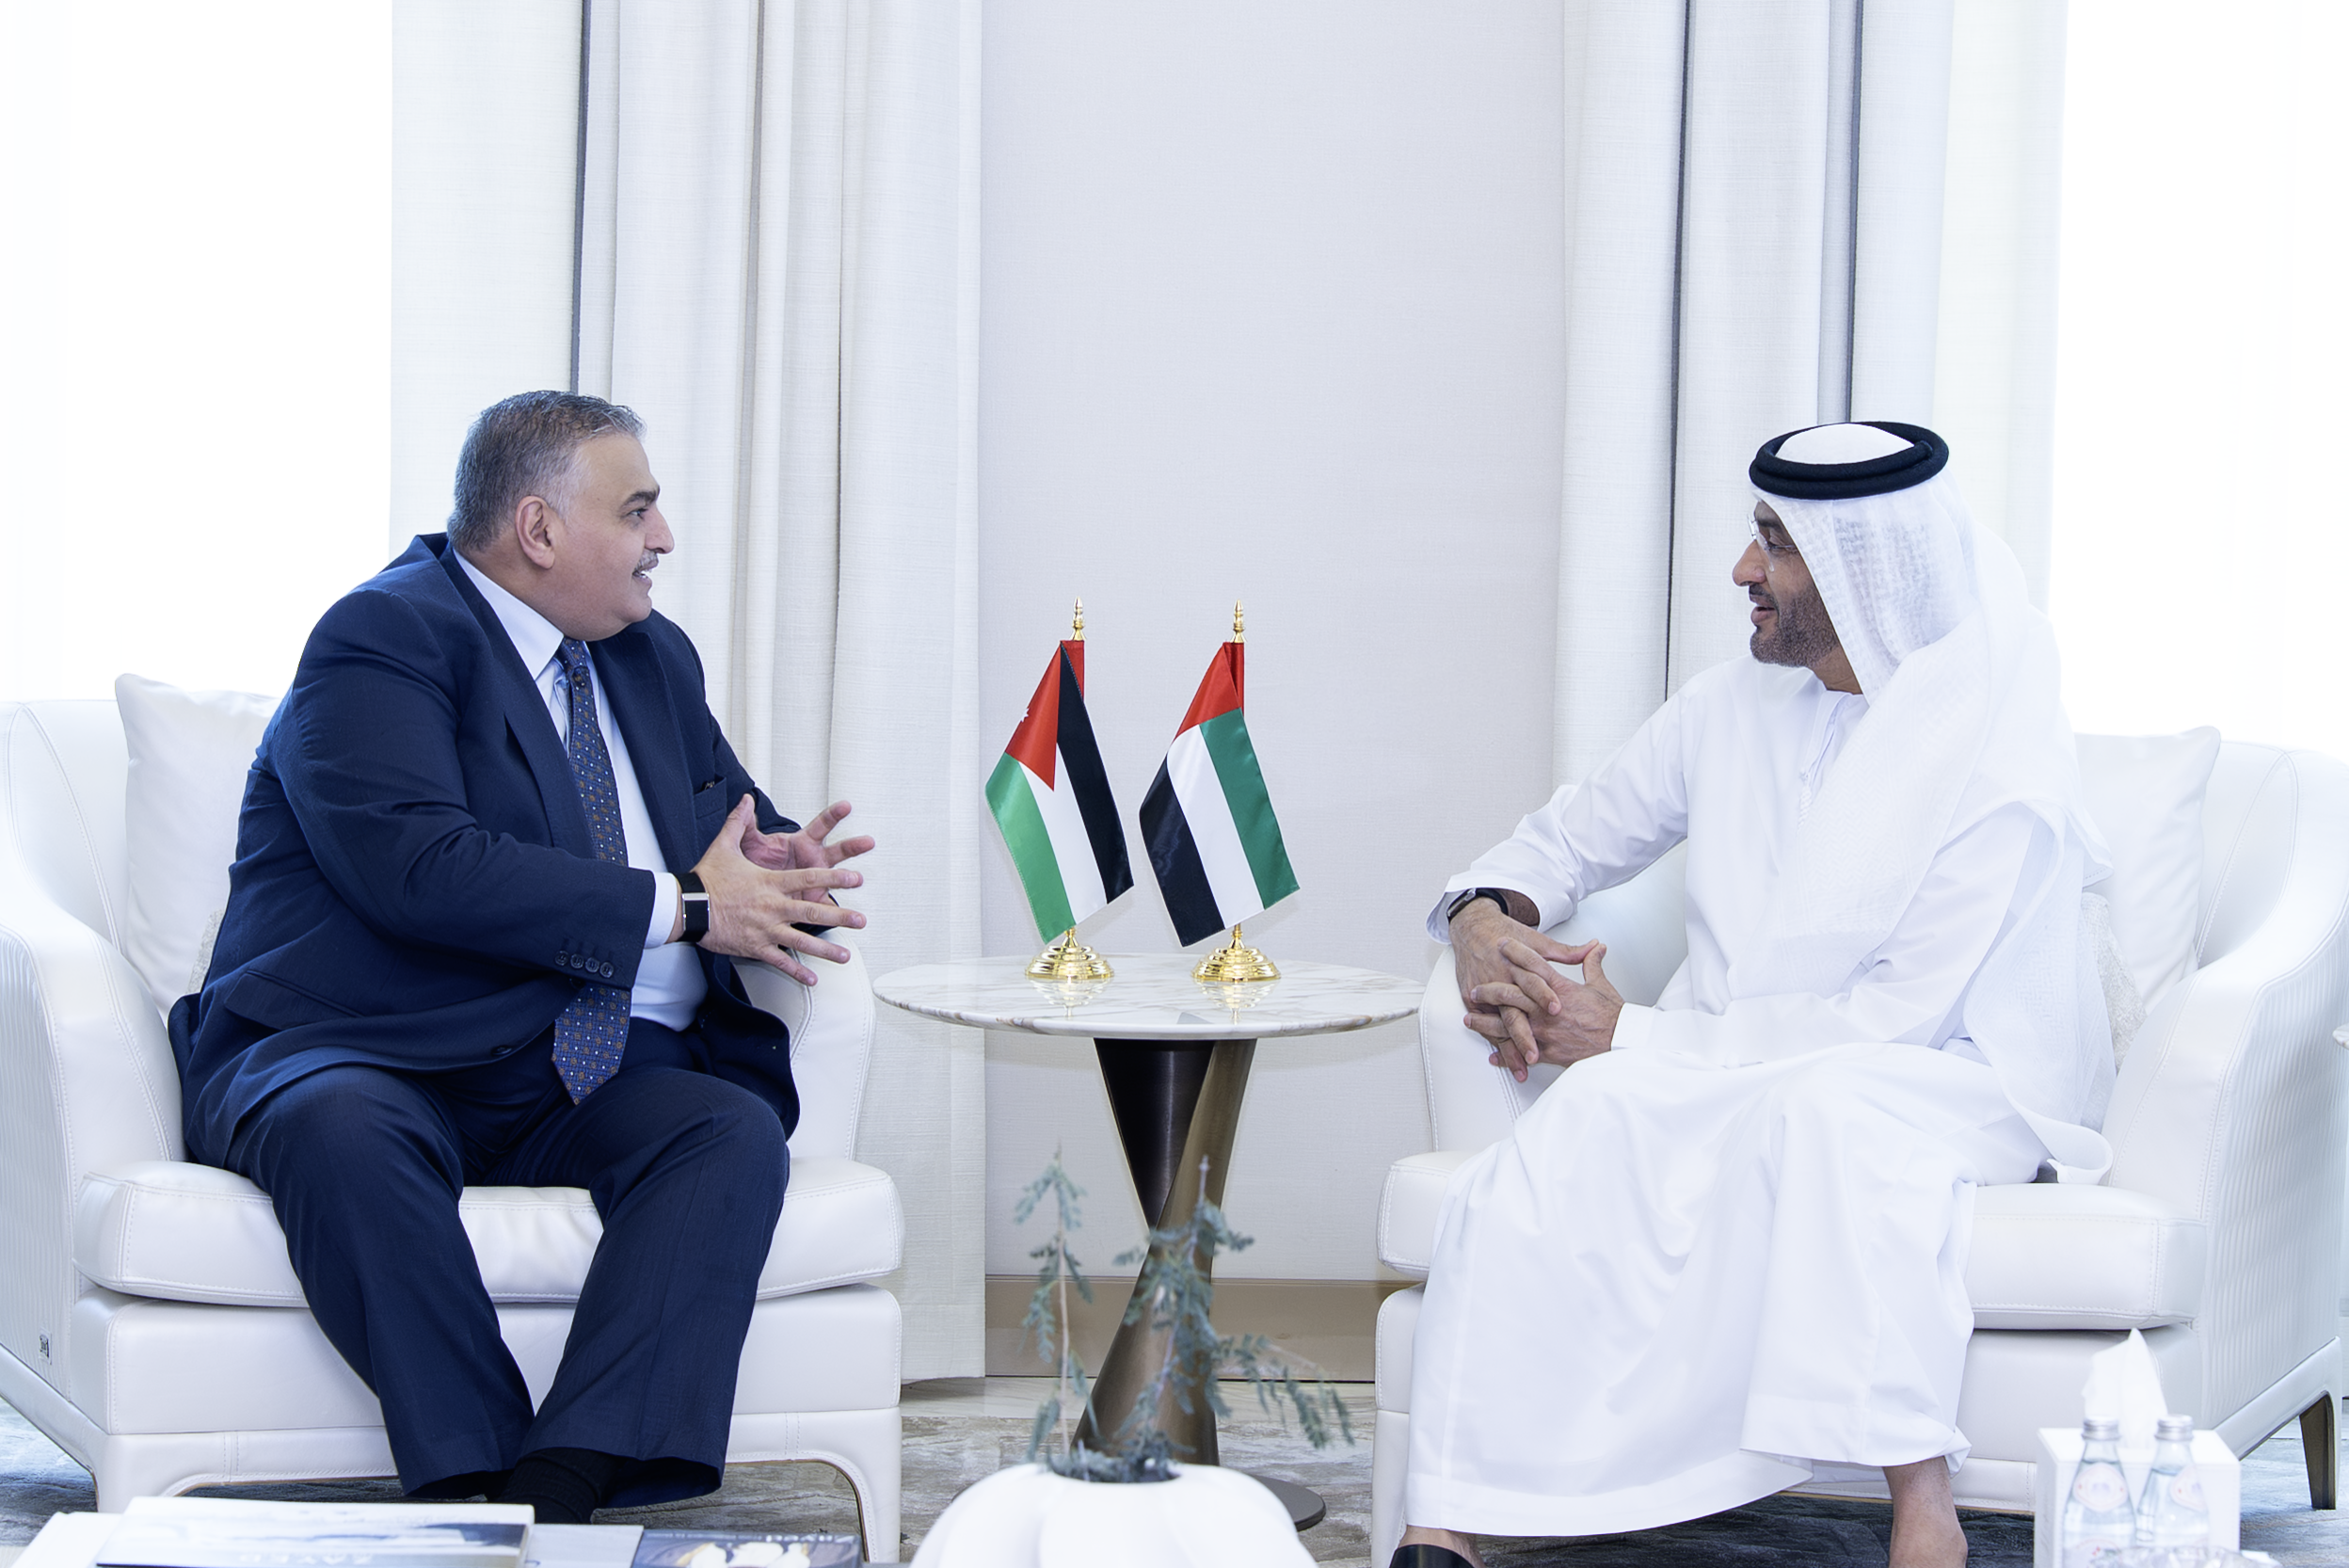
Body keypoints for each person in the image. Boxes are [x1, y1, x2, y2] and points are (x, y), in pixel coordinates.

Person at [1392, 423, 2114, 1568]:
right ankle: (1450, 1520)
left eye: (1774, 544)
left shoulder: (1992, 755)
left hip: (1952, 1075)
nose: (1742, 570)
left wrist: (1632, 1034)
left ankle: (1924, 1516)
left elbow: (1895, 1024)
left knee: (1830, 1120)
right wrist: (1482, 919)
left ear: (1863, 566)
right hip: (1724, 1059)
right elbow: (1566, 841)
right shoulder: (1729, 708)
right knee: (1575, 1125)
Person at [169, 391, 873, 1521]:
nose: (664, 538)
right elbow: (424, 868)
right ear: (539, 528)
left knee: (727, 1129)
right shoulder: (380, 639)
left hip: (579, 1060)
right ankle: (476, 1476)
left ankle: (561, 1485)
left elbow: (721, 827)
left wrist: (776, 868)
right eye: (637, 510)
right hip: (371, 1044)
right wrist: (690, 905)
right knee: (338, 1128)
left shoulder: (651, 657)